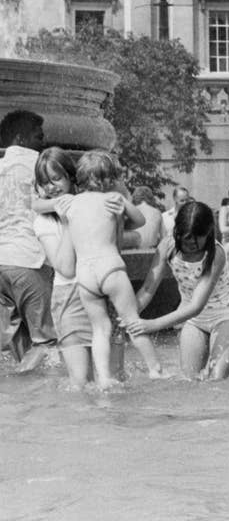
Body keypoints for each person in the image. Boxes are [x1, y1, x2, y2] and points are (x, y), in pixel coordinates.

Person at [64, 150, 166, 387]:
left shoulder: (71, 204)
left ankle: (104, 378)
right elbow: (141, 222)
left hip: (85, 274)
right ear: (109, 179)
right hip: (110, 268)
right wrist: (124, 204)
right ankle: (155, 369)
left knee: (100, 328)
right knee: (132, 321)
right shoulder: (113, 199)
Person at [31, 148, 125, 385]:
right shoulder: (44, 222)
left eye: (56, 178)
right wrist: (67, 221)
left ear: (72, 177)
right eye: (44, 182)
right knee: (81, 382)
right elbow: (66, 268)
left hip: (103, 294)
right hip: (70, 299)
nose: (51, 187)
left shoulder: (98, 203)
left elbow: (119, 242)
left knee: (114, 381)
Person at [128, 201, 229, 380]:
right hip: (193, 320)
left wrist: (152, 325)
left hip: (225, 316)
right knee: (189, 380)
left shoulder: (216, 254)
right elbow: (148, 289)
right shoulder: (168, 247)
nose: (191, 242)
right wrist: (128, 316)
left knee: (217, 379)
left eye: (198, 237)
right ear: (178, 231)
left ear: (208, 232)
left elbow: (197, 305)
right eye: (186, 237)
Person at [0, 109, 57, 370]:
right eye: (38, 136)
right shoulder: (39, 166)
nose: (43, 142)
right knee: (45, 342)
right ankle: (42, 399)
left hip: (2, 263)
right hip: (29, 261)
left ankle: (19, 401)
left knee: (15, 343)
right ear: (21, 138)